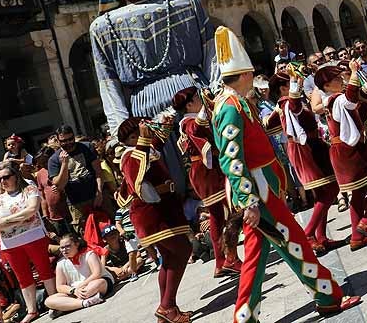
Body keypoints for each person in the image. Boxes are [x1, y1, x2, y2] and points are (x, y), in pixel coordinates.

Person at [210, 26, 359, 320]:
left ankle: (245, 317)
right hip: (259, 192)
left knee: (257, 255)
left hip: (263, 189)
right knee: (296, 243)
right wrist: (248, 200)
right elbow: (232, 159)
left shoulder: (237, 103)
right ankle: (328, 296)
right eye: (250, 72)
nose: (253, 76)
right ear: (241, 75)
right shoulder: (229, 107)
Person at [89, 0, 219, 195]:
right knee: (168, 186)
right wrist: (121, 133)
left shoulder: (188, 4)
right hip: (144, 118)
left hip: (195, 101)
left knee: (214, 172)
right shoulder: (101, 27)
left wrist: (217, 96)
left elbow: (212, 56)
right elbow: (108, 85)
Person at [115, 117, 192, 323]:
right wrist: (143, 141)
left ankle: (167, 308)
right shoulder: (131, 155)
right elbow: (135, 174)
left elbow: (155, 144)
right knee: (183, 250)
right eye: (133, 136)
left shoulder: (144, 150)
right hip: (152, 214)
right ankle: (167, 307)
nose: (139, 137)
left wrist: (163, 125)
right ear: (127, 141)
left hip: (163, 210)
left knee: (168, 258)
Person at [267, 68, 343, 254]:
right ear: (283, 88)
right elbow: (293, 108)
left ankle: (321, 237)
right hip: (306, 148)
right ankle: (308, 234)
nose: (298, 84)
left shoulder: (283, 104)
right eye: (290, 83)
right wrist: (295, 85)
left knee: (323, 192)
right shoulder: (287, 102)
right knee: (329, 191)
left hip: (310, 146)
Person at [316, 62, 367, 247]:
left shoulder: (333, 99)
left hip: (344, 150)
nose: (340, 79)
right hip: (350, 150)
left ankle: (356, 237)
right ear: (326, 86)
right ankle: (366, 222)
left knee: (358, 191)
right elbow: (351, 98)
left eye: (339, 77)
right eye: (335, 79)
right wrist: (355, 72)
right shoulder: (336, 99)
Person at [173, 87, 242, 277]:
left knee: (221, 215)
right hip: (205, 171)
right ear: (189, 105)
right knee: (223, 214)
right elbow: (196, 127)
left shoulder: (193, 118)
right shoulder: (188, 121)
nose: (201, 99)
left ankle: (224, 261)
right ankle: (227, 259)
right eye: (197, 98)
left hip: (210, 170)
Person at [0, 161, 56, 323]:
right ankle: (32, 310)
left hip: (33, 237)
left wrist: (6, 220)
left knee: (44, 270)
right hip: (10, 244)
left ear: (15, 176)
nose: (3, 181)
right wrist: (19, 220)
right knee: (23, 277)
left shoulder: (28, 188)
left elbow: (31, 210)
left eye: (6, 177)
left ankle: (55, 302)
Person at [48, 125, 104, 230]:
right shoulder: (54, 159)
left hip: (96, 195)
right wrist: (64, 164)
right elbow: (59, 185)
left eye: (70, 139)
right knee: (85, 232)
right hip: (76, 203)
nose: (68, 143)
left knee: (107, 227)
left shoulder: (87, 147)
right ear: (58, 141)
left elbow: (98, 172)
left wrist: (99, 192)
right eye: (64, 141)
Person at [44, 235, 109, 315]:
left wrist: (80, 287)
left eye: (67, 246)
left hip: (92, 284)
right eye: (62, 248)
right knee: (48, 301)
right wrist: (73, 291)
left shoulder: (89, 254)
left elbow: (97, 274)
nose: (64, 250)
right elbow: (60, 286)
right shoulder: (60, 263)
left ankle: (66, 307)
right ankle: (84, 303)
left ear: (76, 244)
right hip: (75, 292)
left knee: (97, 283)